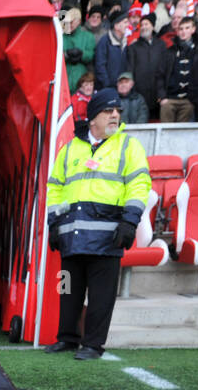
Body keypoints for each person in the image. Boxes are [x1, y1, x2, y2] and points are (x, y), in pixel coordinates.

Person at [45, 87, 150, 361]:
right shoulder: (70, 149)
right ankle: (67, 338)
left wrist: (130, 221)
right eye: (108, 110)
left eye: (118, 111)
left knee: (101, 297)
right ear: (93, 117)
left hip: (108, 237)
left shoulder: (128, 146)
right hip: (72, 235)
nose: (115, 115)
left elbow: (139, 186)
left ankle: (92, 345)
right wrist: (53, 224)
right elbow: (55, 188)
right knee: (68, 292)